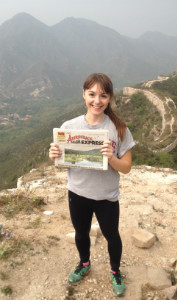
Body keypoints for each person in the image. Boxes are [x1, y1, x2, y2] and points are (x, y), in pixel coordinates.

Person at [49, 73, 135, 297]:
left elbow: (126, 167)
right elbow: (61, 162)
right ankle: (84, 263)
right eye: (92, 94)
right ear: (84, 95)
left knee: (111, 235)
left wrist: (111, 158)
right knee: (81, 232)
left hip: (106, 196)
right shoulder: (69, 127)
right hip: (78, 192)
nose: (97, 101)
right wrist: (54, 155)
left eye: (103, 96)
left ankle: (115, 270)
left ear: (110, 98)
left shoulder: (119, 129)